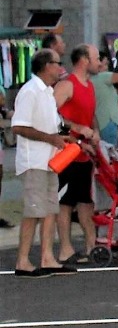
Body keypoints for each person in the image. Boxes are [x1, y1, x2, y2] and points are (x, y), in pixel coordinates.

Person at [11, 49, 75, 276]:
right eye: (58, 63)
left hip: (50, 161)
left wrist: (63, 138)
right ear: (47, 66)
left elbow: (53, 126)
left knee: (49, 210)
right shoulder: (31, 91)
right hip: (34, 161)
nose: (60, 68)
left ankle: (48, 257)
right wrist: (50, 138)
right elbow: (18, 126)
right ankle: (23, 261)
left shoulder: (47, 92)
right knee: (34, 211)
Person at [53, 44, 103, 264]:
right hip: (67, 152)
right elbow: (51, 116)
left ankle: (92, 244)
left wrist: (95, 132)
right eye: (96, 57)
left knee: (85, 201)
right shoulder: (67, 85)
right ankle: (65, 248)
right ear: (84, 59)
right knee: (65, 202)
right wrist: (77, 130)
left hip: (85, 153)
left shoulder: (89, 86)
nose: (99, 61)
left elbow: (90, 116)